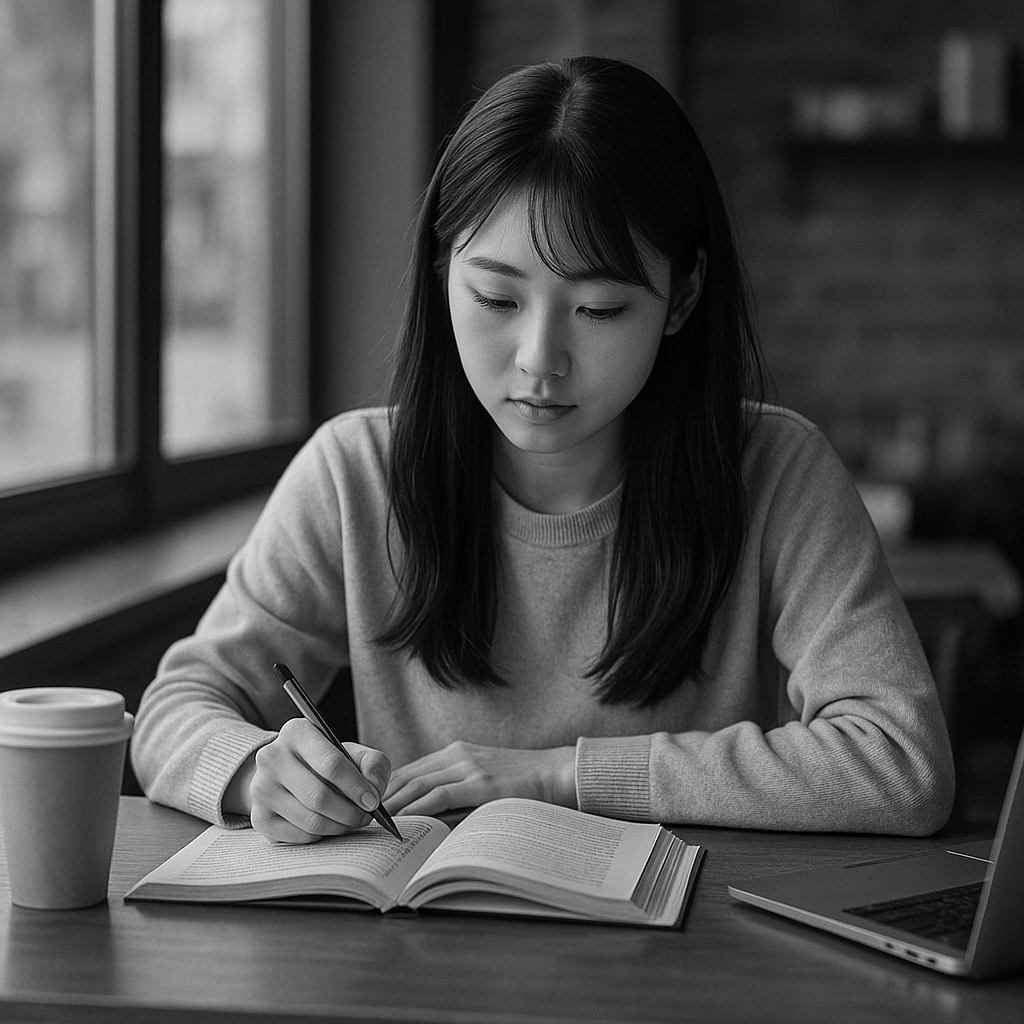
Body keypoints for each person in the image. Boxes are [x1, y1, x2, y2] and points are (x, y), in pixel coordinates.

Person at [132, 56, 955, 844]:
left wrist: (563, 777)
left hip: (692, 967)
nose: (538, 359)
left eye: (598, 310)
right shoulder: (355, 474)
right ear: (440, 268)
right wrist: (254, 771)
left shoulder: (776, 472)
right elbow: (177, 705)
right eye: (495, 297)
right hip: (422, 956)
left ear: (683, 298)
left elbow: (901, 762)